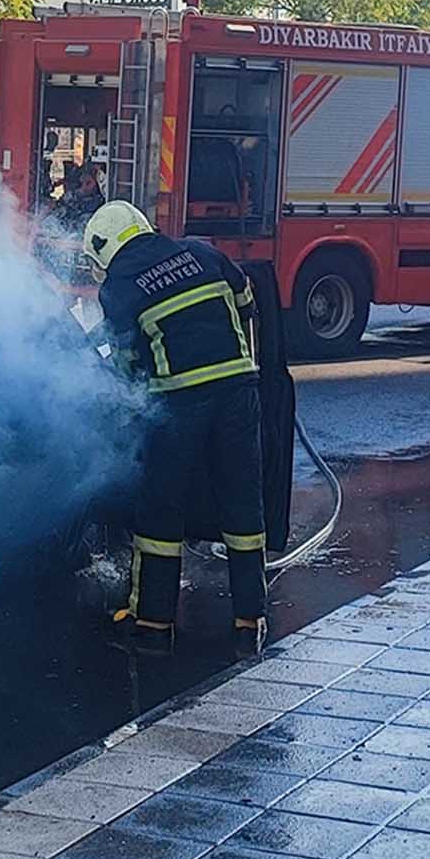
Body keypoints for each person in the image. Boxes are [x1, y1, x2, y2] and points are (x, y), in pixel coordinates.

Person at [82, 200, 268, 654]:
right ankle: (250, 622)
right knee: (242, 504)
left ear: (104, 251)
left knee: (161, 513)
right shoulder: (202, 252)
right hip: (240, 392)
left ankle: (153, 627)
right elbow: (247, 300)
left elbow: (127, 366)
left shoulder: (119, 286)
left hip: (179, 401)